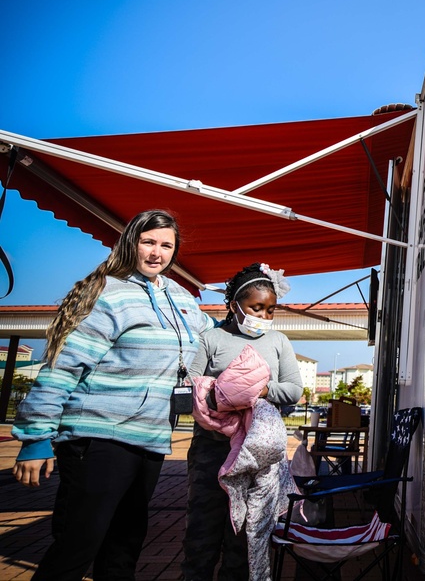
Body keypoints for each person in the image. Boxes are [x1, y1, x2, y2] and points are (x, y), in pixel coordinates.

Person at [11, 209, 215, 580]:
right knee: (79, 543)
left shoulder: (182, 299)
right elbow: (62, 366)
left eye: (166, 245)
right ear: (130, 242)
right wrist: (35, 437)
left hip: (150, 437)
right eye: (148, 242)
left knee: (124, 547)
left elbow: (213, 338)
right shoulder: (108, 292)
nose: (157, 252)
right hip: (98, 435)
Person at [181, 262, 302, 581]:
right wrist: (220, 393)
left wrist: (262, 389)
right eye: (256, 308)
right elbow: (192, 384)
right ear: (234, 305)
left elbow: (293, 390)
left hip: (257, 455)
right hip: (211, 449)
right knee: (202, 528)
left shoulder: (278, 342)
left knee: (245, 535)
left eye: (270, 310)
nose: (263, 317)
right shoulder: (211, 338)